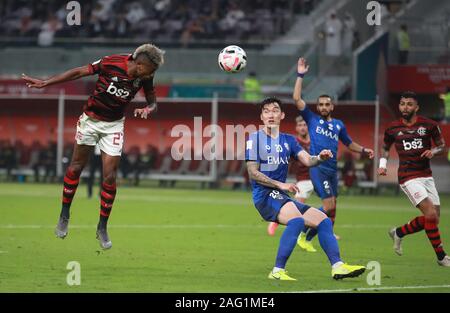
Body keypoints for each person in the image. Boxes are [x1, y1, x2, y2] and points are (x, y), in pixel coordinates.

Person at [22, 43, 165, 249]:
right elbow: (79, 71)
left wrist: (149, 108)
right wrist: (46, 83)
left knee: (110, 176)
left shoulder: (146, 77)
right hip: (90, 120)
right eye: (150, 70)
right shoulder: (111, 62)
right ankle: (64, 214)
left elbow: (152, 100)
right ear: (140, 65)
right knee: (76, 167)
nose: (151, 75)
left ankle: (102, 227)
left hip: (114, 126)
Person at [246, 97, 366, 281]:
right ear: (261, 116)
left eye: (275, 110)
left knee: (323, 220)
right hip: (264, 195)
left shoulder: (289, 140)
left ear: (282, 115)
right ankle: (277, 271)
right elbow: (253, 172)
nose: (271, 114)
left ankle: (338, 266)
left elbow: (308, 160)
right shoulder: (254, 139)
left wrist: (320, 157)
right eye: (267, 111)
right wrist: (280, 184)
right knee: (296, 221)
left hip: (280, 195)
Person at [293, 57, 374, 240]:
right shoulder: (312, 119)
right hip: (318, 168)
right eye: (320, 104)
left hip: (332, 170)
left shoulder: (339, 125)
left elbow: (349, 143)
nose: (323, 107)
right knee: (329, 207)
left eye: (326, 104)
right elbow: (296, 98)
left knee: (333, 205)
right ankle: (305, 222)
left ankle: (307, 236)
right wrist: (300, 75)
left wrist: (364, 150)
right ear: (317, 107)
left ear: (332, 106)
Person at [378, 91, 450, 267]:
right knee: (431, 214)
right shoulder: (392, 129)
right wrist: (382, 164)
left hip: (426, 175)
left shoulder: (430, 125)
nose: (405, 107)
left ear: (416, 107)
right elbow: (385, 148)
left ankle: (399, 232)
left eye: (409, 104)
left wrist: (432, 151)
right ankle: (442, 257)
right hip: (407, 176)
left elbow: (442, 146)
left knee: (433, 219)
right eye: (402, 103)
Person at [267, 116, 317, 253]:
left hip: (315, 177)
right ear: (296, 128)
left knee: (329, 203)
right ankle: (276, 221)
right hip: (303, 180)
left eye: (304, 125)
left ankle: (324, 228)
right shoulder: (294, 142)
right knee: (298, 209)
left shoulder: (313, 142)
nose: (302, 127)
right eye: (300, 125)